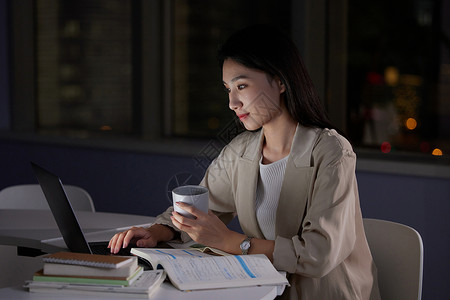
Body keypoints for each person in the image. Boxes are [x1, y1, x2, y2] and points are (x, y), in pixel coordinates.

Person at [108, 24, 381, 299]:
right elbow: (203, 209)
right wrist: (156, 231)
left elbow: (319, 253)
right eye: (228, 89)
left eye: (241, 86)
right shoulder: (240, 150)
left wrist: (229, 241)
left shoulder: (332, 152)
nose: (232, 102)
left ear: (281, 81)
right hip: (267, 290)